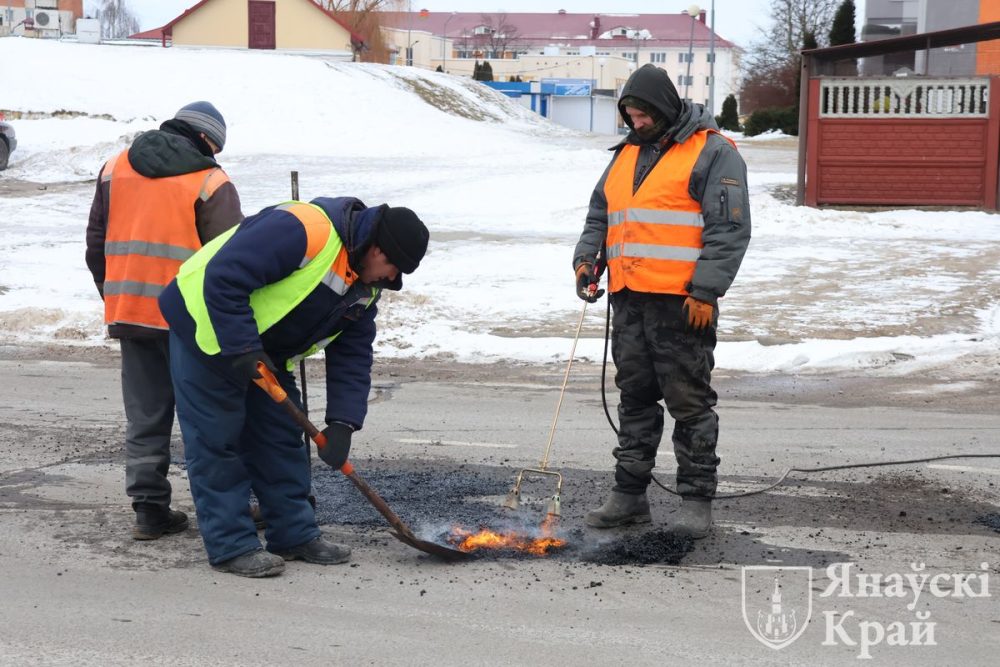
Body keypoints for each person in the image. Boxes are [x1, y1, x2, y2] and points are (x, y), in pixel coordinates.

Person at [158, 196, 429, 578]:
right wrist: (243, 347)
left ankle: (294, 534)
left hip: (262, 349)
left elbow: (352, 357)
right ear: (377, 249)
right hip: (204, 327)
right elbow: (224, 276)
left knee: (281, 436)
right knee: (217, 440)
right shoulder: (305, 229)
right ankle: (232, 545)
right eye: (392, 268)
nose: (390, 280)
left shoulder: (366, 289)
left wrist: (342, 423)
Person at [574, 64, 751, 538]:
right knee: (634, 397)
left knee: (689, 403)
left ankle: (696, 501)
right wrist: (587, 260)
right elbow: (601, 215)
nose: (635, 124)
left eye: (642, 116)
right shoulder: (626, 155)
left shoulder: (713, 152)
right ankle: (629, 496)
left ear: (665, 108)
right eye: (629, 117)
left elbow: (729, 230)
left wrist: (706, 290)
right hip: (629, 298)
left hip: (683, 304)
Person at [85, 101, 243, 540]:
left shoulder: (115, 168)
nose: (214, 157)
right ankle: (226, 511)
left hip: (131, 312)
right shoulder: (210, 180)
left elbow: (95, 243)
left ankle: (150, 511)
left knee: (145, 416)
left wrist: (114, 295)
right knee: (208, 417)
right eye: (215, 149)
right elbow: (232, 259)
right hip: (190, 320)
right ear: (206, 139)